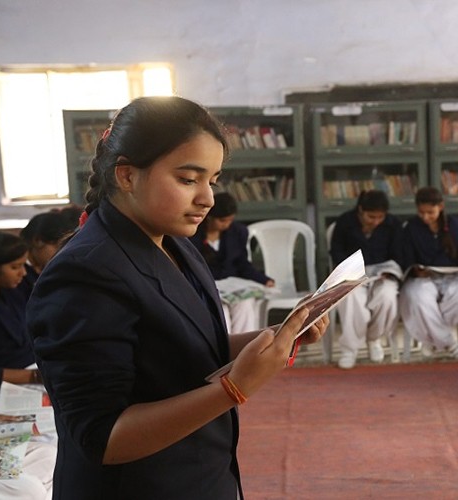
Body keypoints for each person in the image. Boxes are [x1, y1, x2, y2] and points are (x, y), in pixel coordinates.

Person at [26, 96, 328, 500]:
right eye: (188, 179)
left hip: (198, 475)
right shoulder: (85, 274)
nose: (207, 198)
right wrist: (234, 389)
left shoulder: (174, 243)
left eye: (213, 180)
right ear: (128, 175)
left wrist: (277, 336)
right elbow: (103, 437)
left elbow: (186, 349)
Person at [0, 232, 55, 499]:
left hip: (1, 420)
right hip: (4, 394)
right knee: (30, 489)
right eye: (14, 267)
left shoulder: (11, 294)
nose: (22, 273)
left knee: (50, 453)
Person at [399, 186, 458, 361]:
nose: (425, 217)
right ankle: (450, 344)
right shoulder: (411, 228)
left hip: (453, 277)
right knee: (418, 297)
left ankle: (432, 340)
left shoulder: (456, 226)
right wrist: (416, 271)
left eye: (430, 213)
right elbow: (407, 259)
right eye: (421, 213)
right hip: (423, 279)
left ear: (440, 206)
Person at [329, 190, 404, 369]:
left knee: (387, 298)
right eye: (371, 217)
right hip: (353, 274)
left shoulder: (393, 224)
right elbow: (336, 252)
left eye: (380, 217)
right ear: (360, 210)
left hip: (382, 274)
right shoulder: (345, 222)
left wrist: (390, 272)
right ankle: (349, 349)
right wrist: (350, 271)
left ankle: (374, 339)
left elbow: (400, 253)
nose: (376, 221)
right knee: (351, 299)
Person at [190, 191, 274, 333]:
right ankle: (224, 351)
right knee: (220, 311)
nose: (227, 225)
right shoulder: (193, 233)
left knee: (245, 304)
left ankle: (244, 349)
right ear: (209, 217)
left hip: (231, 284)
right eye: (222, 221)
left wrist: (263, 279)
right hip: (206, 284)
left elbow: (242, 263)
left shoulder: (237, 232)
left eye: (230, 220)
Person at [0, 232, 42, 407]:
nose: (22, 273)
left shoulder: (14, 290)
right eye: (15, 267)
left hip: (34, 369)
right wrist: (34, 376)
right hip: (6, 385)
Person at [19, 211, 77, 297]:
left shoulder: (44, 270)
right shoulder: (18, 275)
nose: (61, 253)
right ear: (38, 241)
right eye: (57, 247)